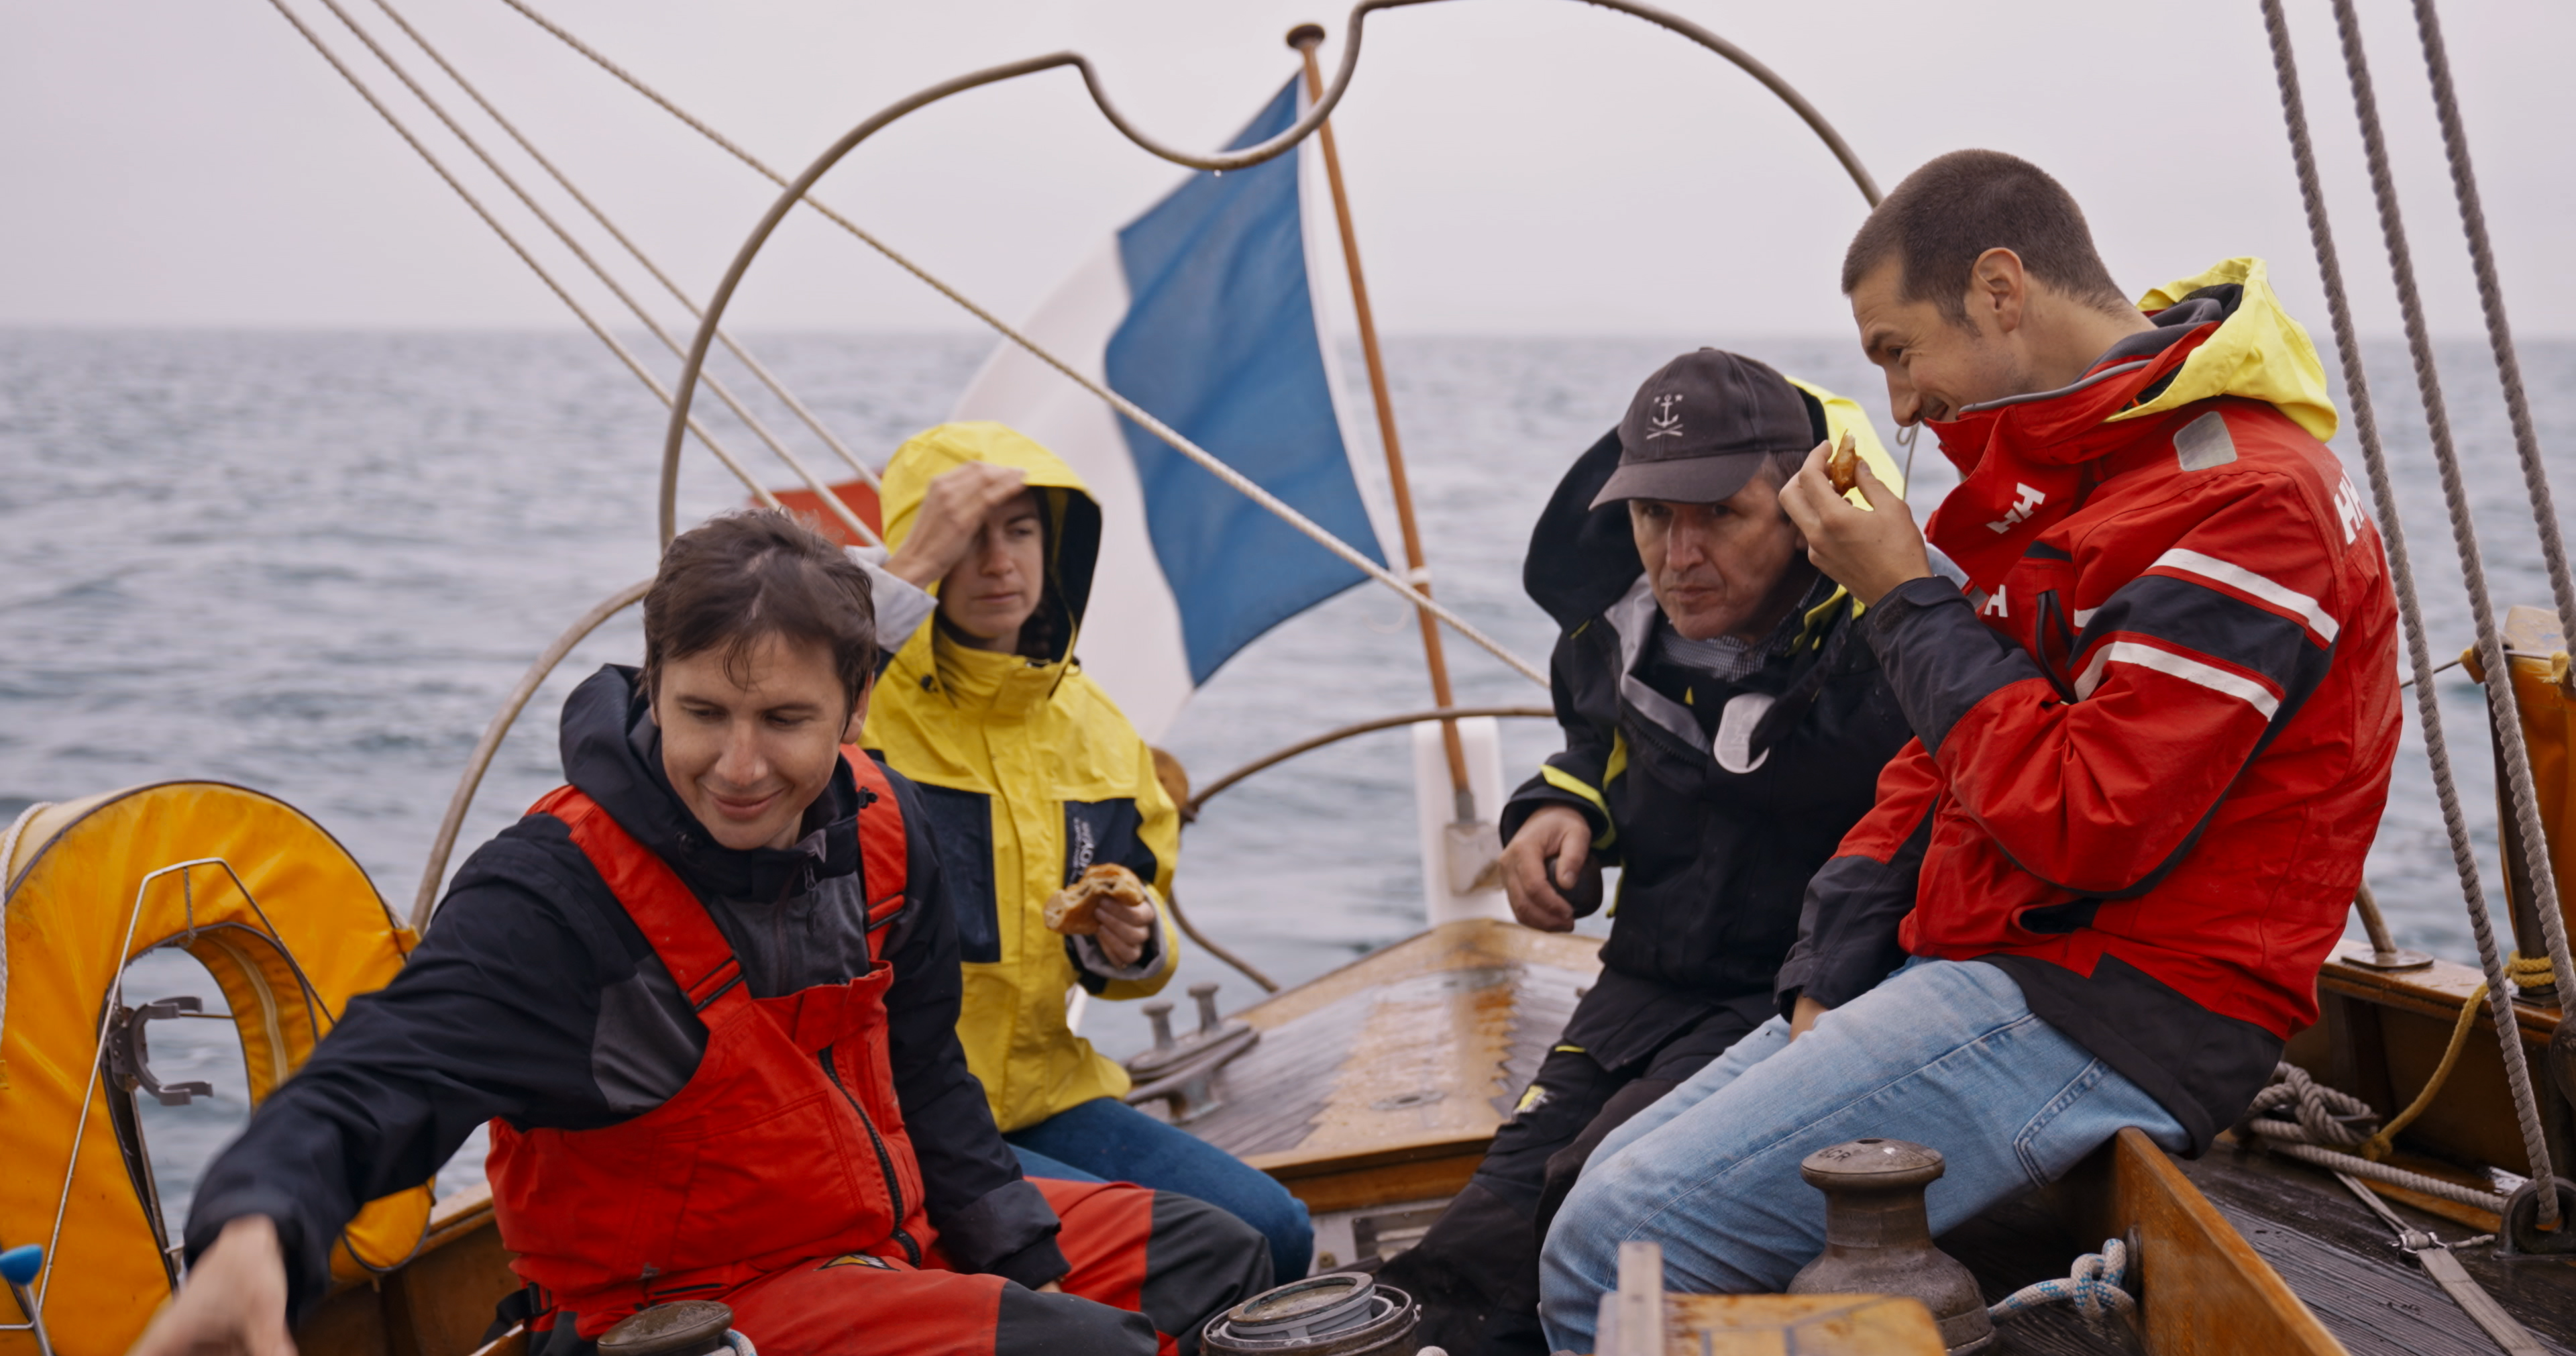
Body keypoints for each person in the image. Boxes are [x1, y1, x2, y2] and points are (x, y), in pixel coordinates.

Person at [1538, 149, 2402, 1351]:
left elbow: (2091, 817)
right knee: (1598, 1181)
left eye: (1898, 352)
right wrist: (1827, 974)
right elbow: (1936, 767)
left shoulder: (2251, 504)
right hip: (1995, 961)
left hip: (2121, 1005)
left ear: (2001, 290)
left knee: (1615, 1243)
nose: (1896, 404)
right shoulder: (2082, 484)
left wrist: (1901, 596)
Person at [133, 511, 1272, 1356]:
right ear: (653, 686)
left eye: (784, 721)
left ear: (857, 709)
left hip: (881, 1239)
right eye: (703, 714)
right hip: (682, 1314)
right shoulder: (553, 894)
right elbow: (379, 1077)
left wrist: (1023, 1267)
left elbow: (928, 1078)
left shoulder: (888, 828)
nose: (738, 767)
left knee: (1226, 1254)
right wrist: (253, 1232)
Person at [1376, 350, 1915, 1356]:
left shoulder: (1892, 644)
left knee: (1585, 1212)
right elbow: (1597, 753)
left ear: (1805, 511)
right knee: (1460, 1256)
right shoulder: (1620, 632)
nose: (1679, 552)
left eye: (1720, 514)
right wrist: (1558, 811)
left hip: (1789, 1007)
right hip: (1638, 989)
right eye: (1653, 514)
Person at [860, 421, 1315, 1283]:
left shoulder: (1101, 730)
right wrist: (902, 572)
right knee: (1125, 1264)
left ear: (1056, 545)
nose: (999, 563)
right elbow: (758, 701)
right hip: (897, 1116)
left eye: (1023, 531)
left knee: (1272, 1228)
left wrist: (1133, 941)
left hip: (1045, 1095)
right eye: (968, 538)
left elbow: (1134, 950)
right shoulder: (855, 709)